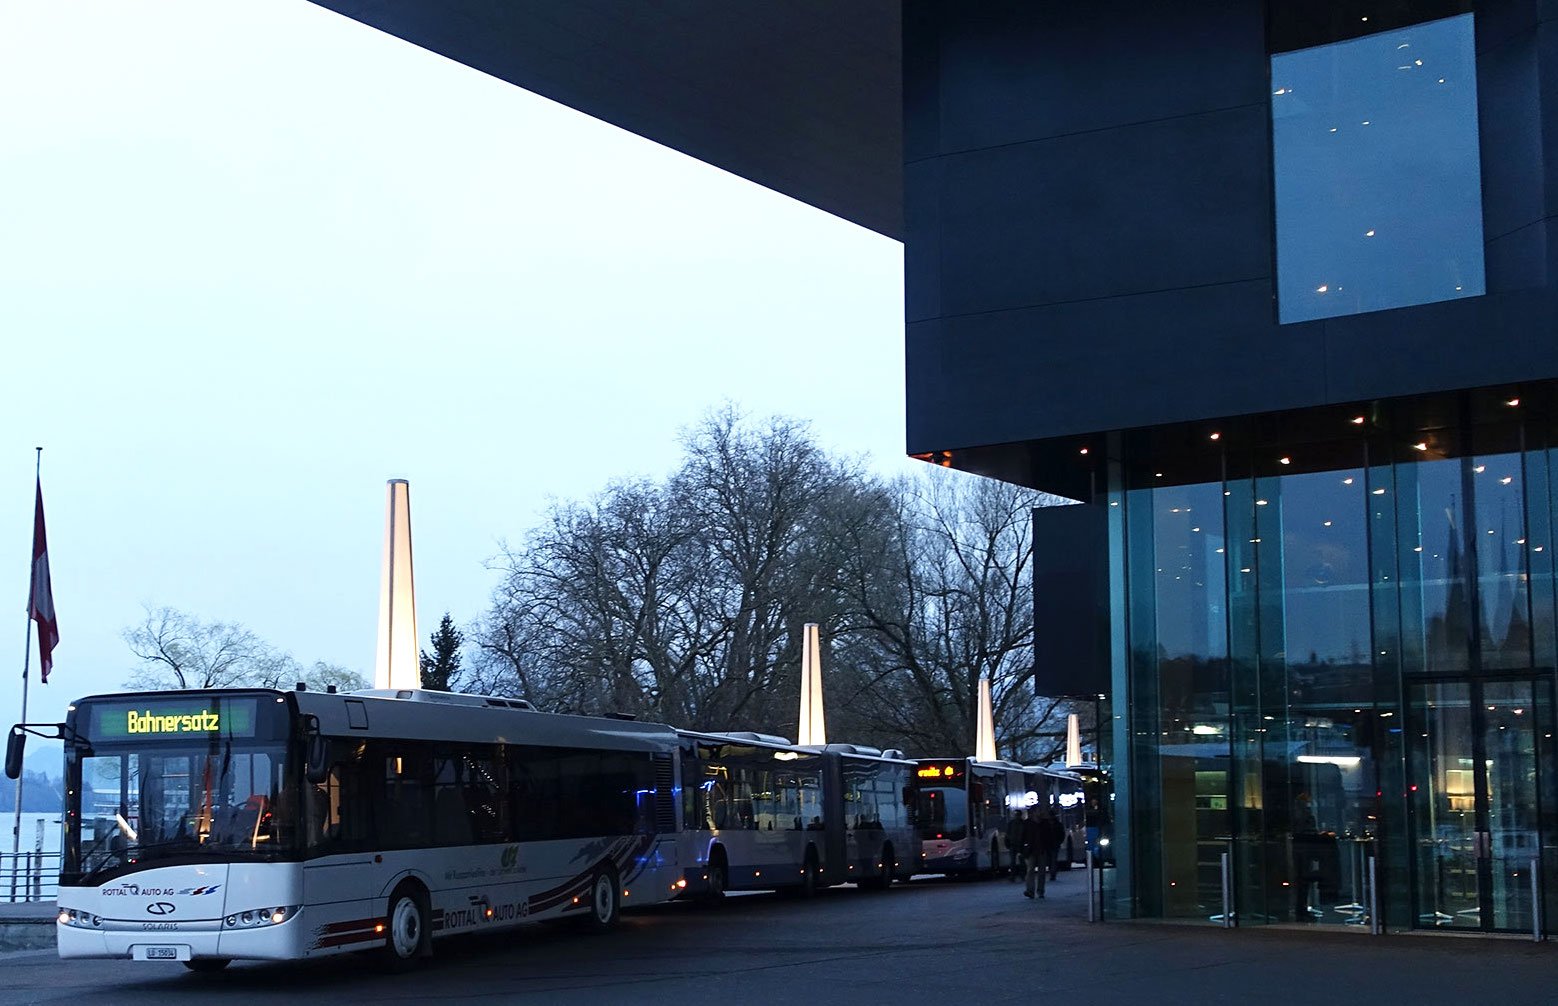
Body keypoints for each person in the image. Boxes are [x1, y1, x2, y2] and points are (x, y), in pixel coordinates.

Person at [1020, 809, 1046, 899]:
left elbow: (1049, 836)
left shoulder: (1044, 823)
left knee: (1040, 872)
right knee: (1031, 870)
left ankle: (1039, 891)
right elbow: (1022, 836)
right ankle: (1031, 890)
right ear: (1034, 813)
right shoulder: (1028, 824)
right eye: (1038, 811)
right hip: (1031, 851)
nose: (1039, 813)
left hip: (1041, 850)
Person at [1038, 808, 1065, 881]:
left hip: (1049, 844)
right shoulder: (1058, 824)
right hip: (1053, 844)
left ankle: (1052, 873)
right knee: (1052, 860)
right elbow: (1062, 834)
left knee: (1050, 860)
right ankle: (1052, 873)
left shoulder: (1045, 824)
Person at [1005, 811, 1024, 881]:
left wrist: (1007, 842)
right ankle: (1021, 875)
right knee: (1020, 861)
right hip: (1018, 845)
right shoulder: (1023, 823)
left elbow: (1007, 834)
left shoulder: (1011, 823)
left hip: (1015, 844)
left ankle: (1013, 876)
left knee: (1013, 861)